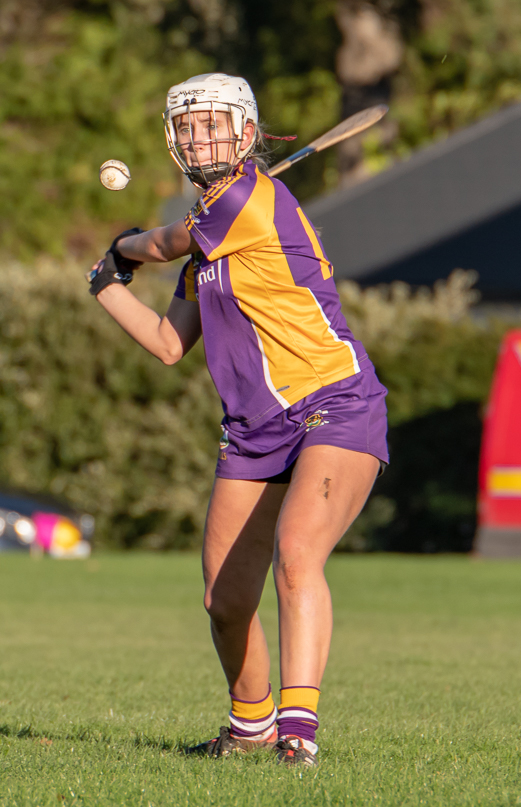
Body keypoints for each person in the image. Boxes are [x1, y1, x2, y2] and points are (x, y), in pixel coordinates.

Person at [88, 73, 389, 767]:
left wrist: (127, 245)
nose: (202, 137)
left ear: (248, 135)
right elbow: (169, 345)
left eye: (215, 123)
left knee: (297, 554)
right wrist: (103, 284)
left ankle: (297, 735)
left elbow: (160, 245)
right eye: (189, 127)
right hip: (255, 430)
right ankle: (248, 724)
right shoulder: (209, 245)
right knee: (224, 598)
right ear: (174, 142)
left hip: (334, 403)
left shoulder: (248, 199)